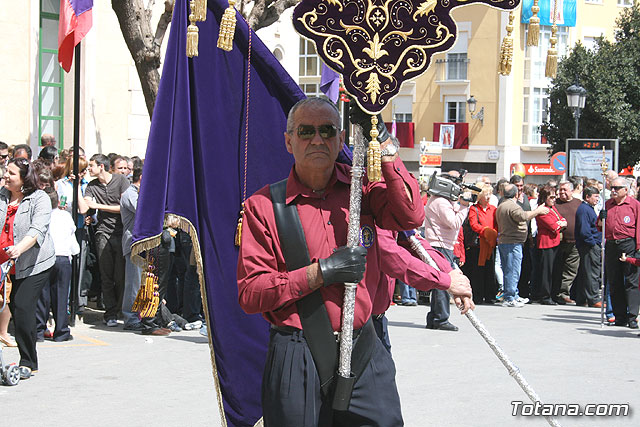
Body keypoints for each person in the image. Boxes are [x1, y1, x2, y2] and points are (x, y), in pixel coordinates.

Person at [237, 97, 433, 426]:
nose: (317, 139)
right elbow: (251, 293)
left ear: (341, 139)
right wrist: (321, 273)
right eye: (306, 131)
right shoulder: (262, 206)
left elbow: (410, 214)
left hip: (364, 348)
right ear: (288, 141)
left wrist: (383, 142)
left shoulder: (363, 191)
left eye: (327, 131)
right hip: (297, 353)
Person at [2, 158, 55, 379]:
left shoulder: (39, 199)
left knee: (22, 305)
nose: (5, 175)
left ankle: (28, 362)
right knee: (13, 304)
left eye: (11, 173)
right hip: (5, 262)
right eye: (6, 171)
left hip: (34, 262)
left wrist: (19, 249)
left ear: (24, 179)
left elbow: (36, 231)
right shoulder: (2, 196)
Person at [81, 154, 130, 327]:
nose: (89, 169)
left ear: (101, 166)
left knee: (120, 275)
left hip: (121, 232)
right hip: (103, 232)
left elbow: (124, 207)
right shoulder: (92, 186)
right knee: (106, 274)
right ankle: (110, 313)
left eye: (91, 166)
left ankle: (120, 309)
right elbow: (86, 205)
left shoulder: (121, 181)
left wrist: (99, 206)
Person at [423, 170, 470, 331]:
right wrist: (464, 207)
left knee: (440, 282)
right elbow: (454, 223)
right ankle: (440, 318)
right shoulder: (440, 201)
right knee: (444, 282)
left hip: (442, 244)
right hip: (440, 245)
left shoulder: (441, 200)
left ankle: (435, 317)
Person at [495, 184, 548, 307]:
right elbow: (523, 216)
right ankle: (510, 297)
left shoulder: (502, 205)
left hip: (507, 242)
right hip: (512, 243)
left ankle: (514, 294)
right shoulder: (512, 206)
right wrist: (537, 211)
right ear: (516, 194)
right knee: (513, 270)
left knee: (510, 269)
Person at [36, 189, 78, 342]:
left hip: (43, 258)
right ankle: (61, 331)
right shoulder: (65, 216)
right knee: (61, 296)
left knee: (42, 296)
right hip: (62, 257)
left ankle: (39, 331)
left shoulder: (39, 217)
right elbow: (72, 238)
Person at [602, 178, 640, 329]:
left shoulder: (634, 205)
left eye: (617, 188)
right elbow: (601, 226)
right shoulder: (608, 205)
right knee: (614, 281)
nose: (613, 190)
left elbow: (638, 226)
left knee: (631, 281)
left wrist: (638, 248)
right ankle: (620, 316)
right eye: (612, 188)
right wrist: (601, 219)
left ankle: (632, 316)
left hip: (628, 244)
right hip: (611, 244)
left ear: (625, 189)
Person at [120, 160, 146, 331]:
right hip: (133, 244)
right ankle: (130, 316)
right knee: (133, 283)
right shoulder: (130, 194)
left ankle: (141, 314)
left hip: (143, 244)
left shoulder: (140, 193)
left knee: (143, 283)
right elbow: (143, 211)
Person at [535, 185, 567, 305]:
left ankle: (553, 294)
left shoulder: (552, 208)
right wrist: (560, 224)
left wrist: (560, 223)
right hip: (546, 243)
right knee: (546, 272)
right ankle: (545, 295)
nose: (554, 199)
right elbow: (554, 226)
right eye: (551, 197)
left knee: (555, 270)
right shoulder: (542, 210)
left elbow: (561, 220)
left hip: (555, 242)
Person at [466, 184, 498, 304]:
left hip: (490, 243)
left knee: (490, 270)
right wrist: (485, 231)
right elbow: (473, 224)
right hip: (479, 244)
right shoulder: (474, 209)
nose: (488, 196)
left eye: (490, 194)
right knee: (477, 271)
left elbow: (496, 224)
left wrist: (493, 233)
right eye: (486, 194)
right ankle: (478, 296)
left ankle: (490, 296)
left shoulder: (494, 209)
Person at [552, 181, 582, 305]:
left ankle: (564, 294)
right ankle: (554, 293)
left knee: (571, 270)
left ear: (571, 191)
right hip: (558, 242)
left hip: (574, 242)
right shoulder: (555, 203)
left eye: (565, 190)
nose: (562, 192)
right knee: (556, 268)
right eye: (561, 190)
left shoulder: (578, 203)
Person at [574, 186, 602, 307]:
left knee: (585, 271)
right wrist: (593, 243)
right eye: (595, 196)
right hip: (589, 245)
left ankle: (582, 297)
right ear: (587, 197)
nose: (597, 199)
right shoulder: (584, 210)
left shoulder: (588, 209)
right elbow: (584, 231)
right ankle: (593, 298)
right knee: (592, 272)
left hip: (590, 244)